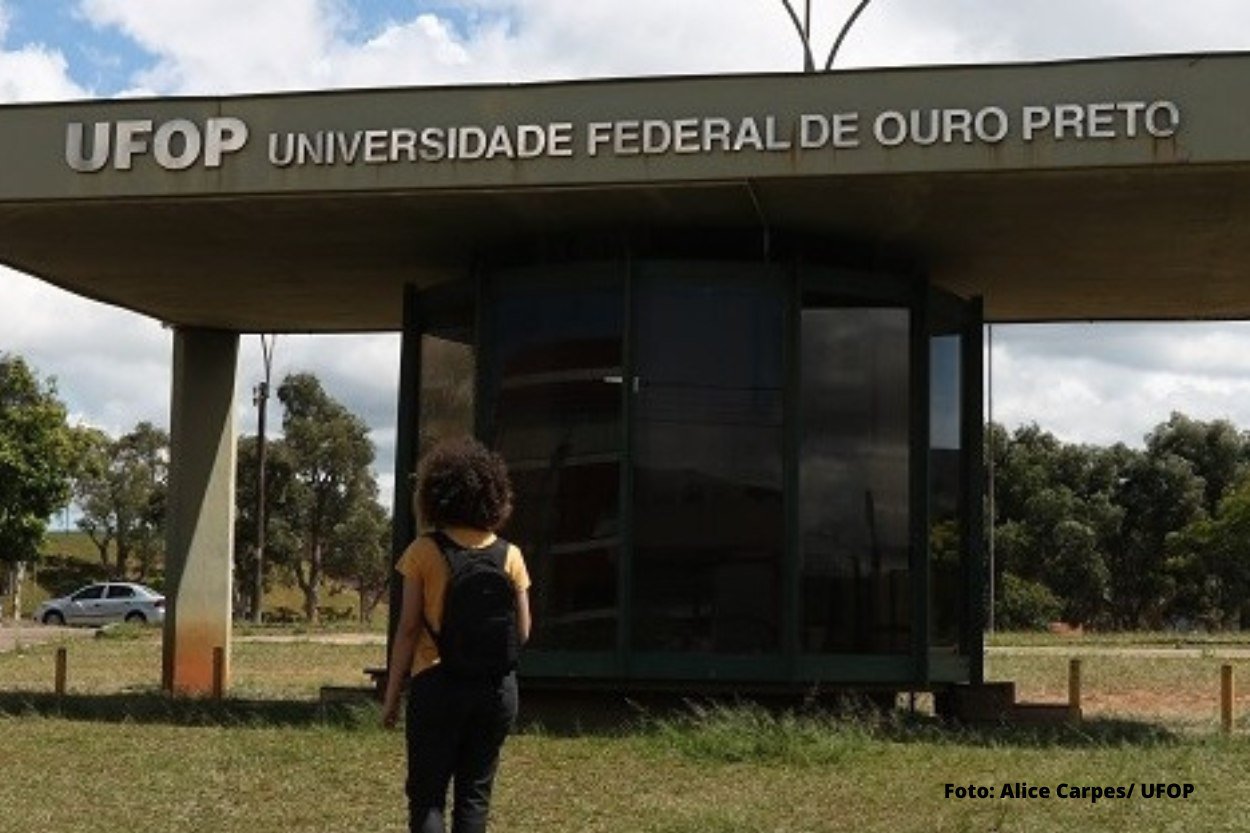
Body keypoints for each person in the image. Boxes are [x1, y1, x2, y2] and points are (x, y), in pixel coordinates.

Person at [382, 436, 532, 833]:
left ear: (436, 494)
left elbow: (409, 628)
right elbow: (524, 630)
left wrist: (393, 695)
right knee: (474, 797)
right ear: (494, 494)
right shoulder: (509, 554)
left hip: (437, 685)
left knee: (428, 797)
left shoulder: (423, 551)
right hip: (496, 690)